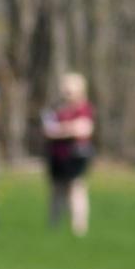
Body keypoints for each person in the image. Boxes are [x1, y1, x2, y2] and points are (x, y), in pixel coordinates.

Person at [42, 72, 95, 237]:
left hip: (76, 154)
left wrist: (61, 129)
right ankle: (53, 228)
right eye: (64, 89)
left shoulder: (84, 108)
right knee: (56, 190)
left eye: (69, 90)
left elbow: (84, 129)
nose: (66, 93)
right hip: (57, 154)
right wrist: (68, 128)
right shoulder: (56, 107)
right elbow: (48, 130)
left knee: (76, 189)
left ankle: (79, 229)